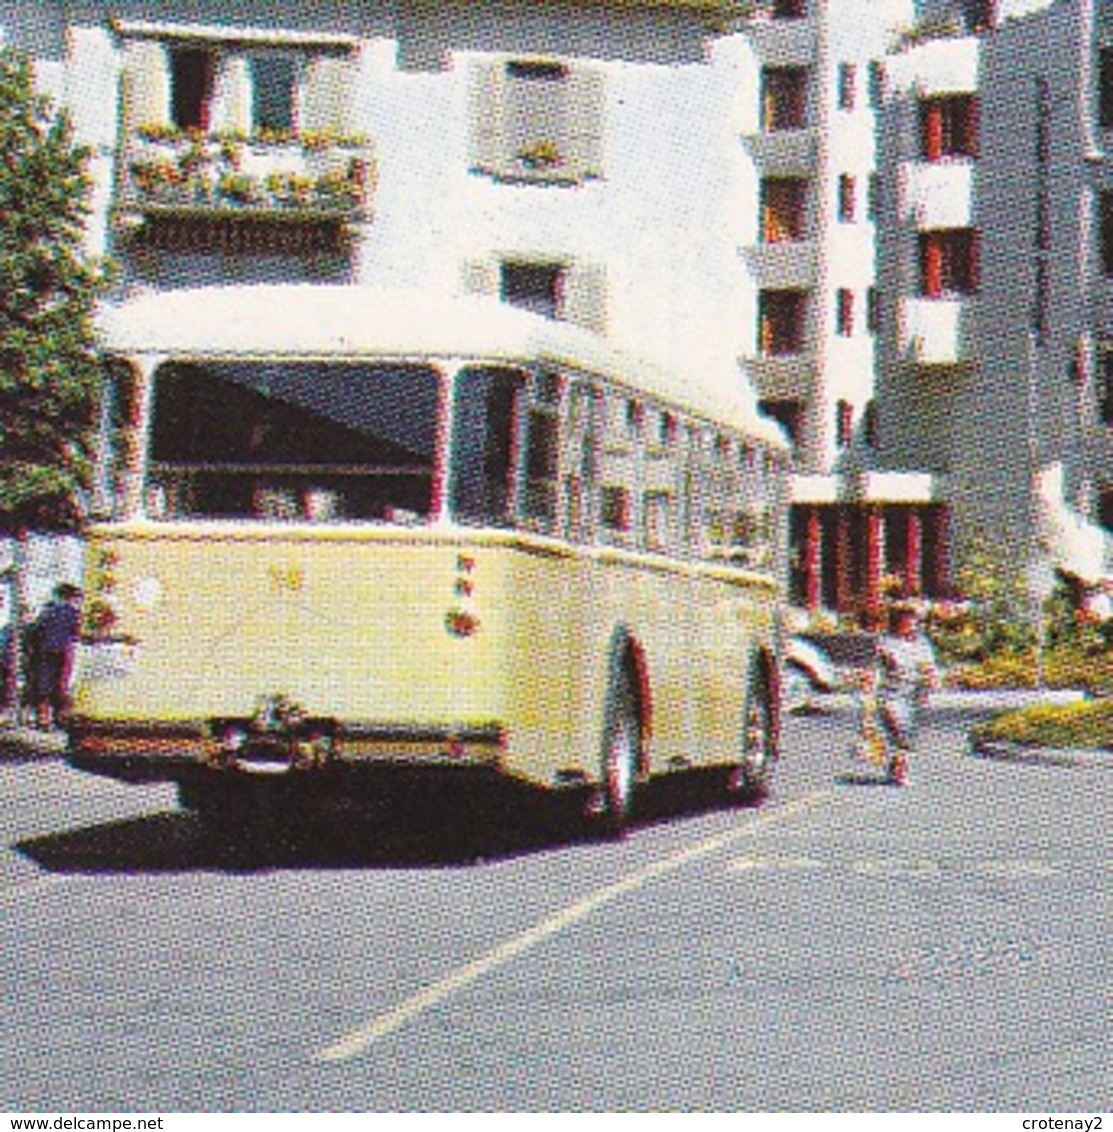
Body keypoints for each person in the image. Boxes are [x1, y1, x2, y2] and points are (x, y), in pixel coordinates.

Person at [868, 600, 940, 786]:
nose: (913, 624)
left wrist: (931, 680)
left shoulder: (921, 644)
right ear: (897, 621)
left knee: (906, 734)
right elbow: (876, 668)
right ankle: (900, 772)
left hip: (913, 695)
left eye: (915, 621)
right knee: (899, 730)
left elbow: (929, 667)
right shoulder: (886, 642)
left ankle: (896, 766)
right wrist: (869, 688)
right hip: (890, 695)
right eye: (908, 620)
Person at [33, 583, 83, 730]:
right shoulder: (74, 613)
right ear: (70, 597)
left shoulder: (47, 612)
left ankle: (44, 719)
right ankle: (60, 718)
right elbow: (77, 633)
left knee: (45, 685)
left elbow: (37, 631)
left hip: (46, 651)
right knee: (62, 685)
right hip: (65, 651)